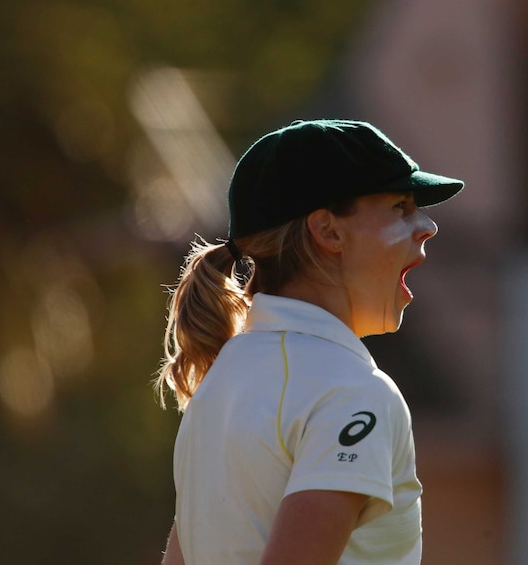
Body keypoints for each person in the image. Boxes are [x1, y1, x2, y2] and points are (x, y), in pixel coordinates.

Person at [156, 119, 464, 565]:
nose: (427, 226)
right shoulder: (353, 391)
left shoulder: (218, 384)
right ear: (328, 231)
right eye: (400, 205)